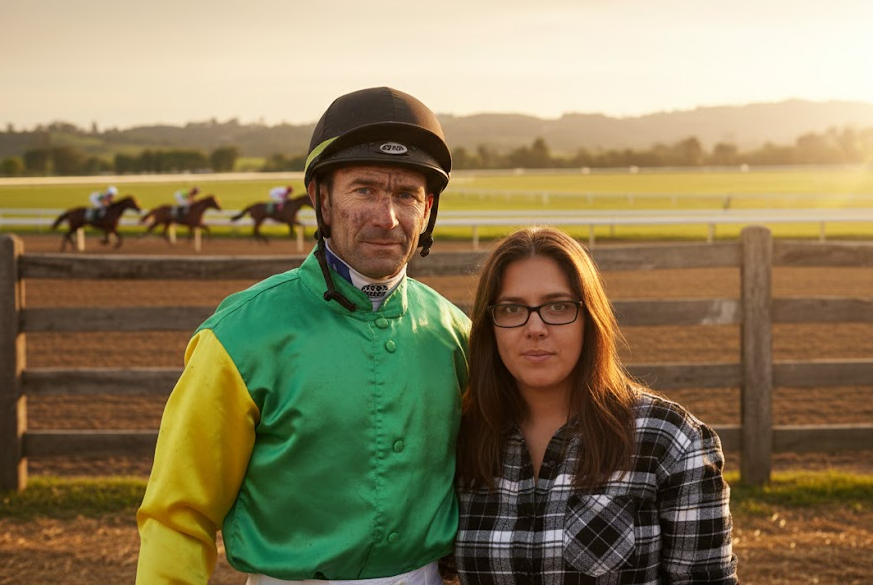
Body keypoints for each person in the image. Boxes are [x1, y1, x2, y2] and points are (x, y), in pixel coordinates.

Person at [136, 87, 470, 584]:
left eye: (407, 194)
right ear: (320, 198)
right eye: (365, 189)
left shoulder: (457, 333)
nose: (389, 218)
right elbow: (179, 516)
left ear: (428, 210)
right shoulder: (238, 336)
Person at [454, 226, 738, 583]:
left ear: (591, 319)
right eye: (512, 309)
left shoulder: (670, 441)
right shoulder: (461, 437)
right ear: (490, 326)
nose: (535, 327)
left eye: (558, 306)